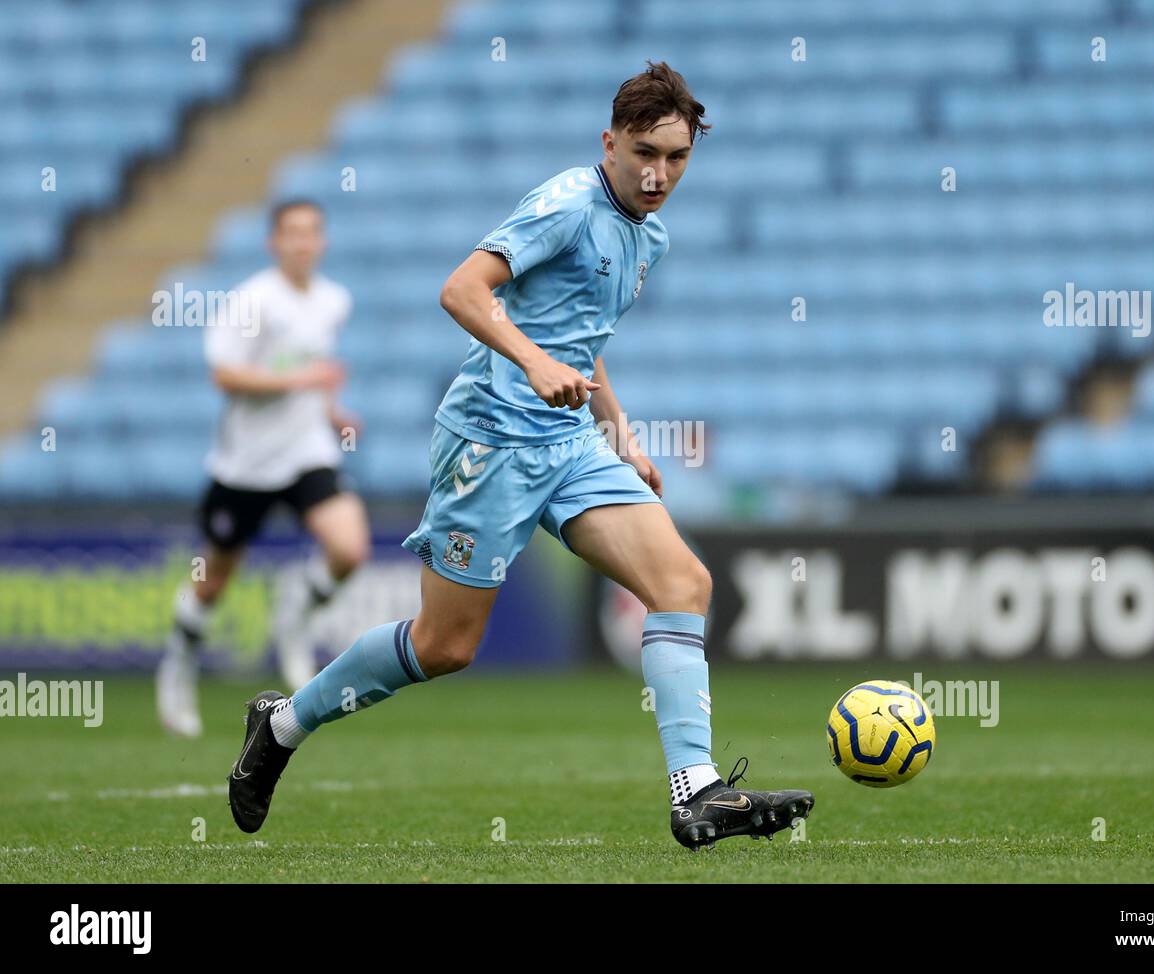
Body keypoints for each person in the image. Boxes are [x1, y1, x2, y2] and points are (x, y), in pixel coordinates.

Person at [225, 63, 813, 849]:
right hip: (491, 440)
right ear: (610, 142)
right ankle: (284, 723)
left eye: (676, 158)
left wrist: (620, 433)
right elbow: (463, 290)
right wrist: (532, 363)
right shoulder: (568, 203)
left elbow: (581, 336)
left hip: (569, 445)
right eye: (644, 152)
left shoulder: (650, 235)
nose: (658, 173)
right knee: (445, 647)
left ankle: (695, 791)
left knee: (683, 582)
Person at [156, 200, 369, 737]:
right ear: (274, 242)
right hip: (245, 464)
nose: (303, 242)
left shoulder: (332, 300)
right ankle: (178, 666)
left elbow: (313, 373)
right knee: (214, 580)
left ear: (322, 241)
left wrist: (332, 413)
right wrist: (302, 383)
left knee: (349, 549)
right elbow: (226, 376)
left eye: (312, 232)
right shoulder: (251, 301)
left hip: (306, 454)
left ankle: (294, 613)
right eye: (292, 233)